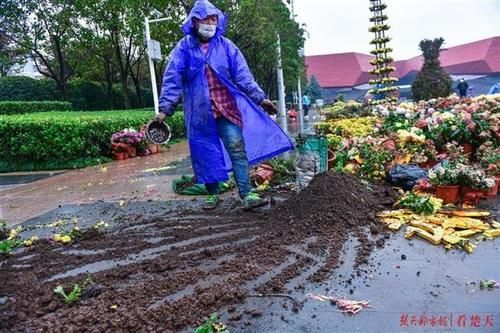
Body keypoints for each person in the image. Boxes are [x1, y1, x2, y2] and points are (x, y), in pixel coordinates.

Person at [156, 0, 293, 210]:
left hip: (226, 109)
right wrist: (164, 111)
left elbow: (243, 76)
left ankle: (246, 194)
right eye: (205, 19)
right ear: (194, 22)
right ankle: (212, 194)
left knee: (237, 149)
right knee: (205, 153)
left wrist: (260, 98)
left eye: (213, 19)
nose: (210, 24)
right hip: (200, 114)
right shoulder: (183, 48)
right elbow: (172, 78)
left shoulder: (227, 47)